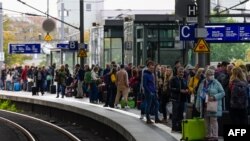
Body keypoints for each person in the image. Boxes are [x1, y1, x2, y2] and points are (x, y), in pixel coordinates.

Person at [196, 69, 225, 141]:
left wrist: (214, 97)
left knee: (213, 120)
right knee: (206, 121)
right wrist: (198, 104)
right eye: (210, 74)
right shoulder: (202, 83)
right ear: (206, 75)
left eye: (212, 74)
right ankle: (208, 135)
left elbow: (223, 93)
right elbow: (199, 94)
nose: (212, 76)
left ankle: (215, 136)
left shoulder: (216, 83)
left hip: (213, 104)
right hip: (204, 104)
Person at [170, 67, 189, 132]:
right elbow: (171, 88)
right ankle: (174, 127)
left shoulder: (184, 80)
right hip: (175, 99)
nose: (181, 73)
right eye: (180, 72)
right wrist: (179, 90)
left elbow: (186, 87)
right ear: (177, 72)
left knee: (181, 114)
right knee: (175, 114)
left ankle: (180, 128)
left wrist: (186, 90)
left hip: (182, 100)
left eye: (183, 72)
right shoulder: (173, 79)